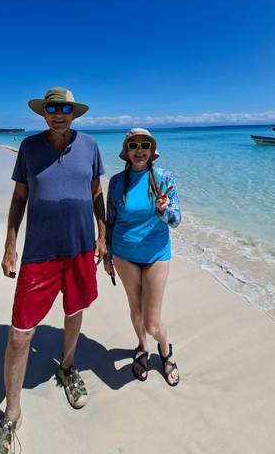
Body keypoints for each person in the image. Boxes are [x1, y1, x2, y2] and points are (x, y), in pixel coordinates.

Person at [0, 87, 107, 454]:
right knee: (20, 335)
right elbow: (20, 197)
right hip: (39, 254)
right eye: (52, 108)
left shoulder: (90, 147)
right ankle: (12, 413)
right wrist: (9, 245)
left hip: (81, 249)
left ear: (74, 113)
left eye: (65, 108)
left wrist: (103, 234)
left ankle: (67, 368)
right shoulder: (30, 148)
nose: (58, 114)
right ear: (43, 113)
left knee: (74, 312)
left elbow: (97, 193)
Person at [104, 128, 181, 386]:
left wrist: (162, 210)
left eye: (144, 145)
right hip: (124, 253)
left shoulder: (164, 177)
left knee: (152, 322)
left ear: (151, 150)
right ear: (126, 152)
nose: (139, 150)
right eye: (133, 145)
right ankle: (141, 347)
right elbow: (110, 221)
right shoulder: (116, 182)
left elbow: (176, 220)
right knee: (135, 311)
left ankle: (164, 348)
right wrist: (107, 256)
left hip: (157, 253)